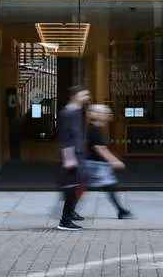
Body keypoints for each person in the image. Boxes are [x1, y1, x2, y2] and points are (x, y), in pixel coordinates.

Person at [85, 104, 133, 219]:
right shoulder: (94, 130)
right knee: (108, 186)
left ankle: (121, 210)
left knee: (109, 187)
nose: (107, 114)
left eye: (107, 112)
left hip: (96, 164)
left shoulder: (96, 128)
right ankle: (121, 211)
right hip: (95, 165)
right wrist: (115, 161)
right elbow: (101, 149)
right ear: (96, 115)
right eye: (104, 112)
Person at [57, 86, 90, 231]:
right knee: (72, 187)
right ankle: (65, 221)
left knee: (79, 184)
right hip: (72, 155)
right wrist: (69, 159)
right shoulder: (67, 113)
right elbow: (64, 137)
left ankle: (70, 213)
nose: (86, 97)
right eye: (84, 95)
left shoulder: (77, 112)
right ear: (75, 96)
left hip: (78, 154)